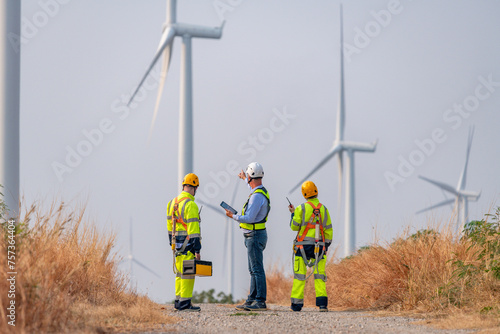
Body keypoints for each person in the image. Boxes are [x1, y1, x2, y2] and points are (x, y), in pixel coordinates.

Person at [225, 162, 270, 311]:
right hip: (255, 235)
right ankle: (252, 299)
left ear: (252, 177)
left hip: (254, 236)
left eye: (248, 177)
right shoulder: (261, 191)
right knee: (253, 269)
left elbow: (249, 218)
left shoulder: (256, 196)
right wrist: (244, 178)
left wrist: (234, 216)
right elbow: (252, 186)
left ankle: (260, 301)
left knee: (256, 269)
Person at [288, 180, 332, 312]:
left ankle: (296, 305)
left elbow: (294, 226)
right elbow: (328, 229)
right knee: (319, 276)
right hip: (319, 247)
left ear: (304, 194)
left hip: (302, 247)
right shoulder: (324, 209)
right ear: (316, 191)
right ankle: (322, 305)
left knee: (300, 276)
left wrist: (292, 213)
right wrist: (326, 245)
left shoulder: (301, 208)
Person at [167, 173, 202, 312]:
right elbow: (194, 231)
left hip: (177, 246)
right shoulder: (190, 204)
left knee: (179, 274)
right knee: (188, 275)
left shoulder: (172, 203)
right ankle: (185, 304)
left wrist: (173, 245)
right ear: (194, 188)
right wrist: (197, 250)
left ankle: (178, 301)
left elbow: (170, 228)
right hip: (188, 246)